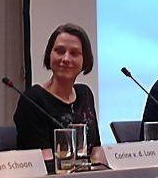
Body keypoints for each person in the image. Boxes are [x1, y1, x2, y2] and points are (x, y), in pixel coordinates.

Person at [14, 23, 101, 152]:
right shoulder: (33, 99)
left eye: (74, 53)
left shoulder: (85, 94)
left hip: (87, 172)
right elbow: (44, 161)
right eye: (60, 51)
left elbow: (96, 150)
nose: (66, 58)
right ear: (49, 55)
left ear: (85, 60)